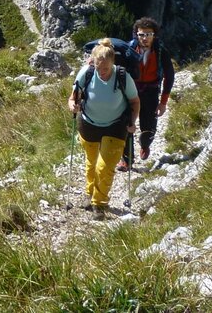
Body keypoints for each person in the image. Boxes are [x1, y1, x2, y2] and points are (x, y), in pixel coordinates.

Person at [67, 42, 139, 213]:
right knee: (91, 163)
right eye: (98, 67)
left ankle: (99, 203)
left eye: (105, 68)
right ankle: (90, 192)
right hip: (88, 124)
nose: (101, 72)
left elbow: (135, 101)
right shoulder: (87, 72)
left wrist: (132, 122)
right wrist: (72, 106)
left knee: (104, 167)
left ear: (113, 62)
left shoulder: (122, 76)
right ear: (93, 63)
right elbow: (73, 98)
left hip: (116, 126)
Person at [120, 16, 176, 170]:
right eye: (141, 35)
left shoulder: (161, 52)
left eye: (148, 34)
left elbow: (169, 76)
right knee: (127, 123)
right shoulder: (128, 50)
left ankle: (145, 144)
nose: (144, 38)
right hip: (131, 91)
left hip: (151, 91)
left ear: (154, 35)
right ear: (136, 35)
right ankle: (127, 160)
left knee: (149, 126)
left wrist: (163, 102)